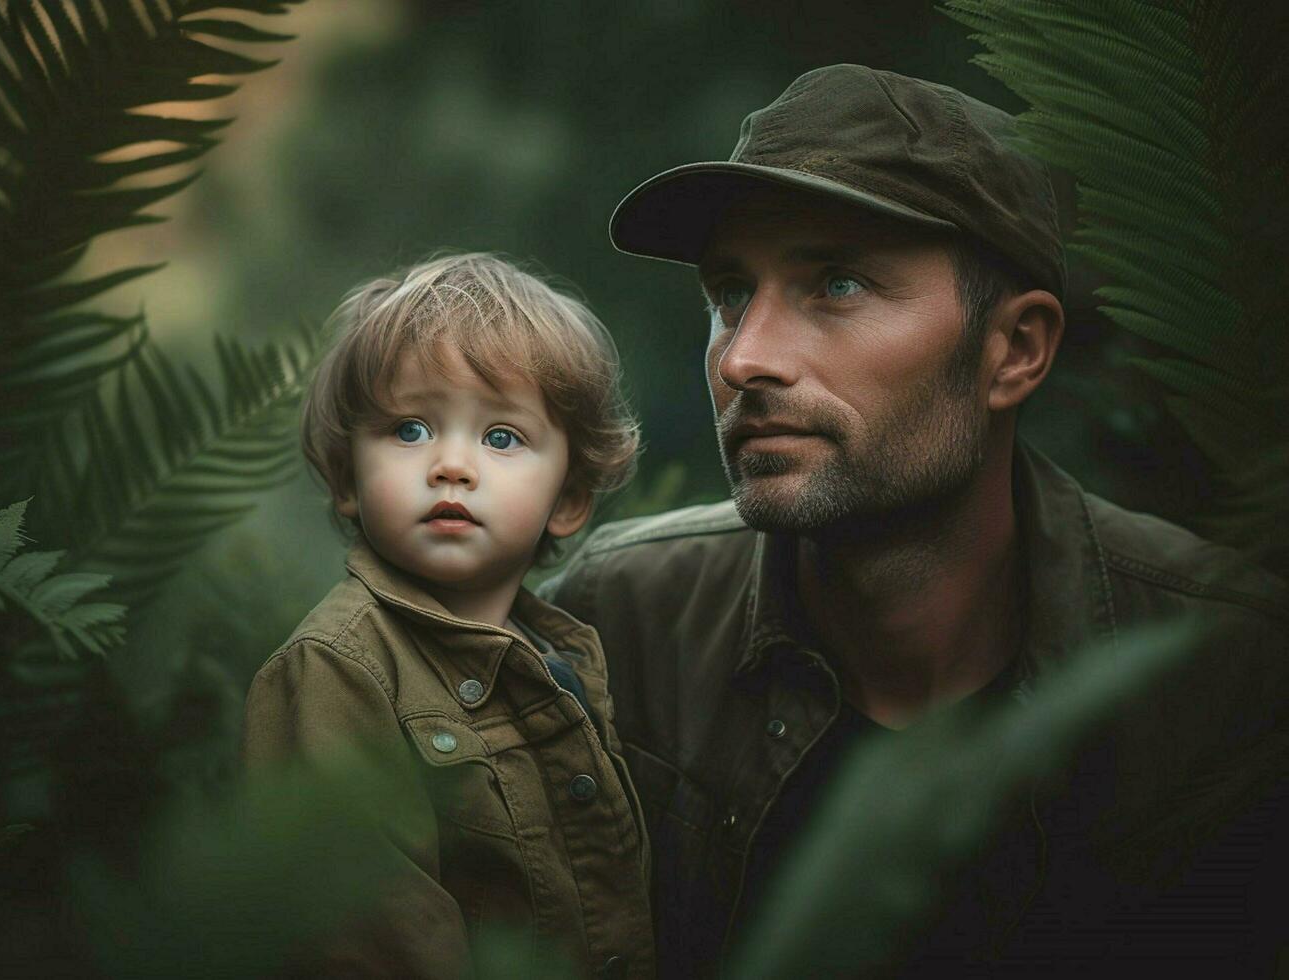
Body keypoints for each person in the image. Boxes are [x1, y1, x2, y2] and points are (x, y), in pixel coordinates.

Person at [542, 64, 1287, 976]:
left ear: (1014, 350)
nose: (744, 357)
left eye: (839, 284)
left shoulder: (1229, 672)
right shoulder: (610, 629)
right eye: (729, 293)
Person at [243, 253, 656, 978]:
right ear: (347, 478)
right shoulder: (336, 671)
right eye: (409, 431)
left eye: (502, 437)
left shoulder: (567, 656)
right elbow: (366, 936)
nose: (451, 466)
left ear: (568, 500)